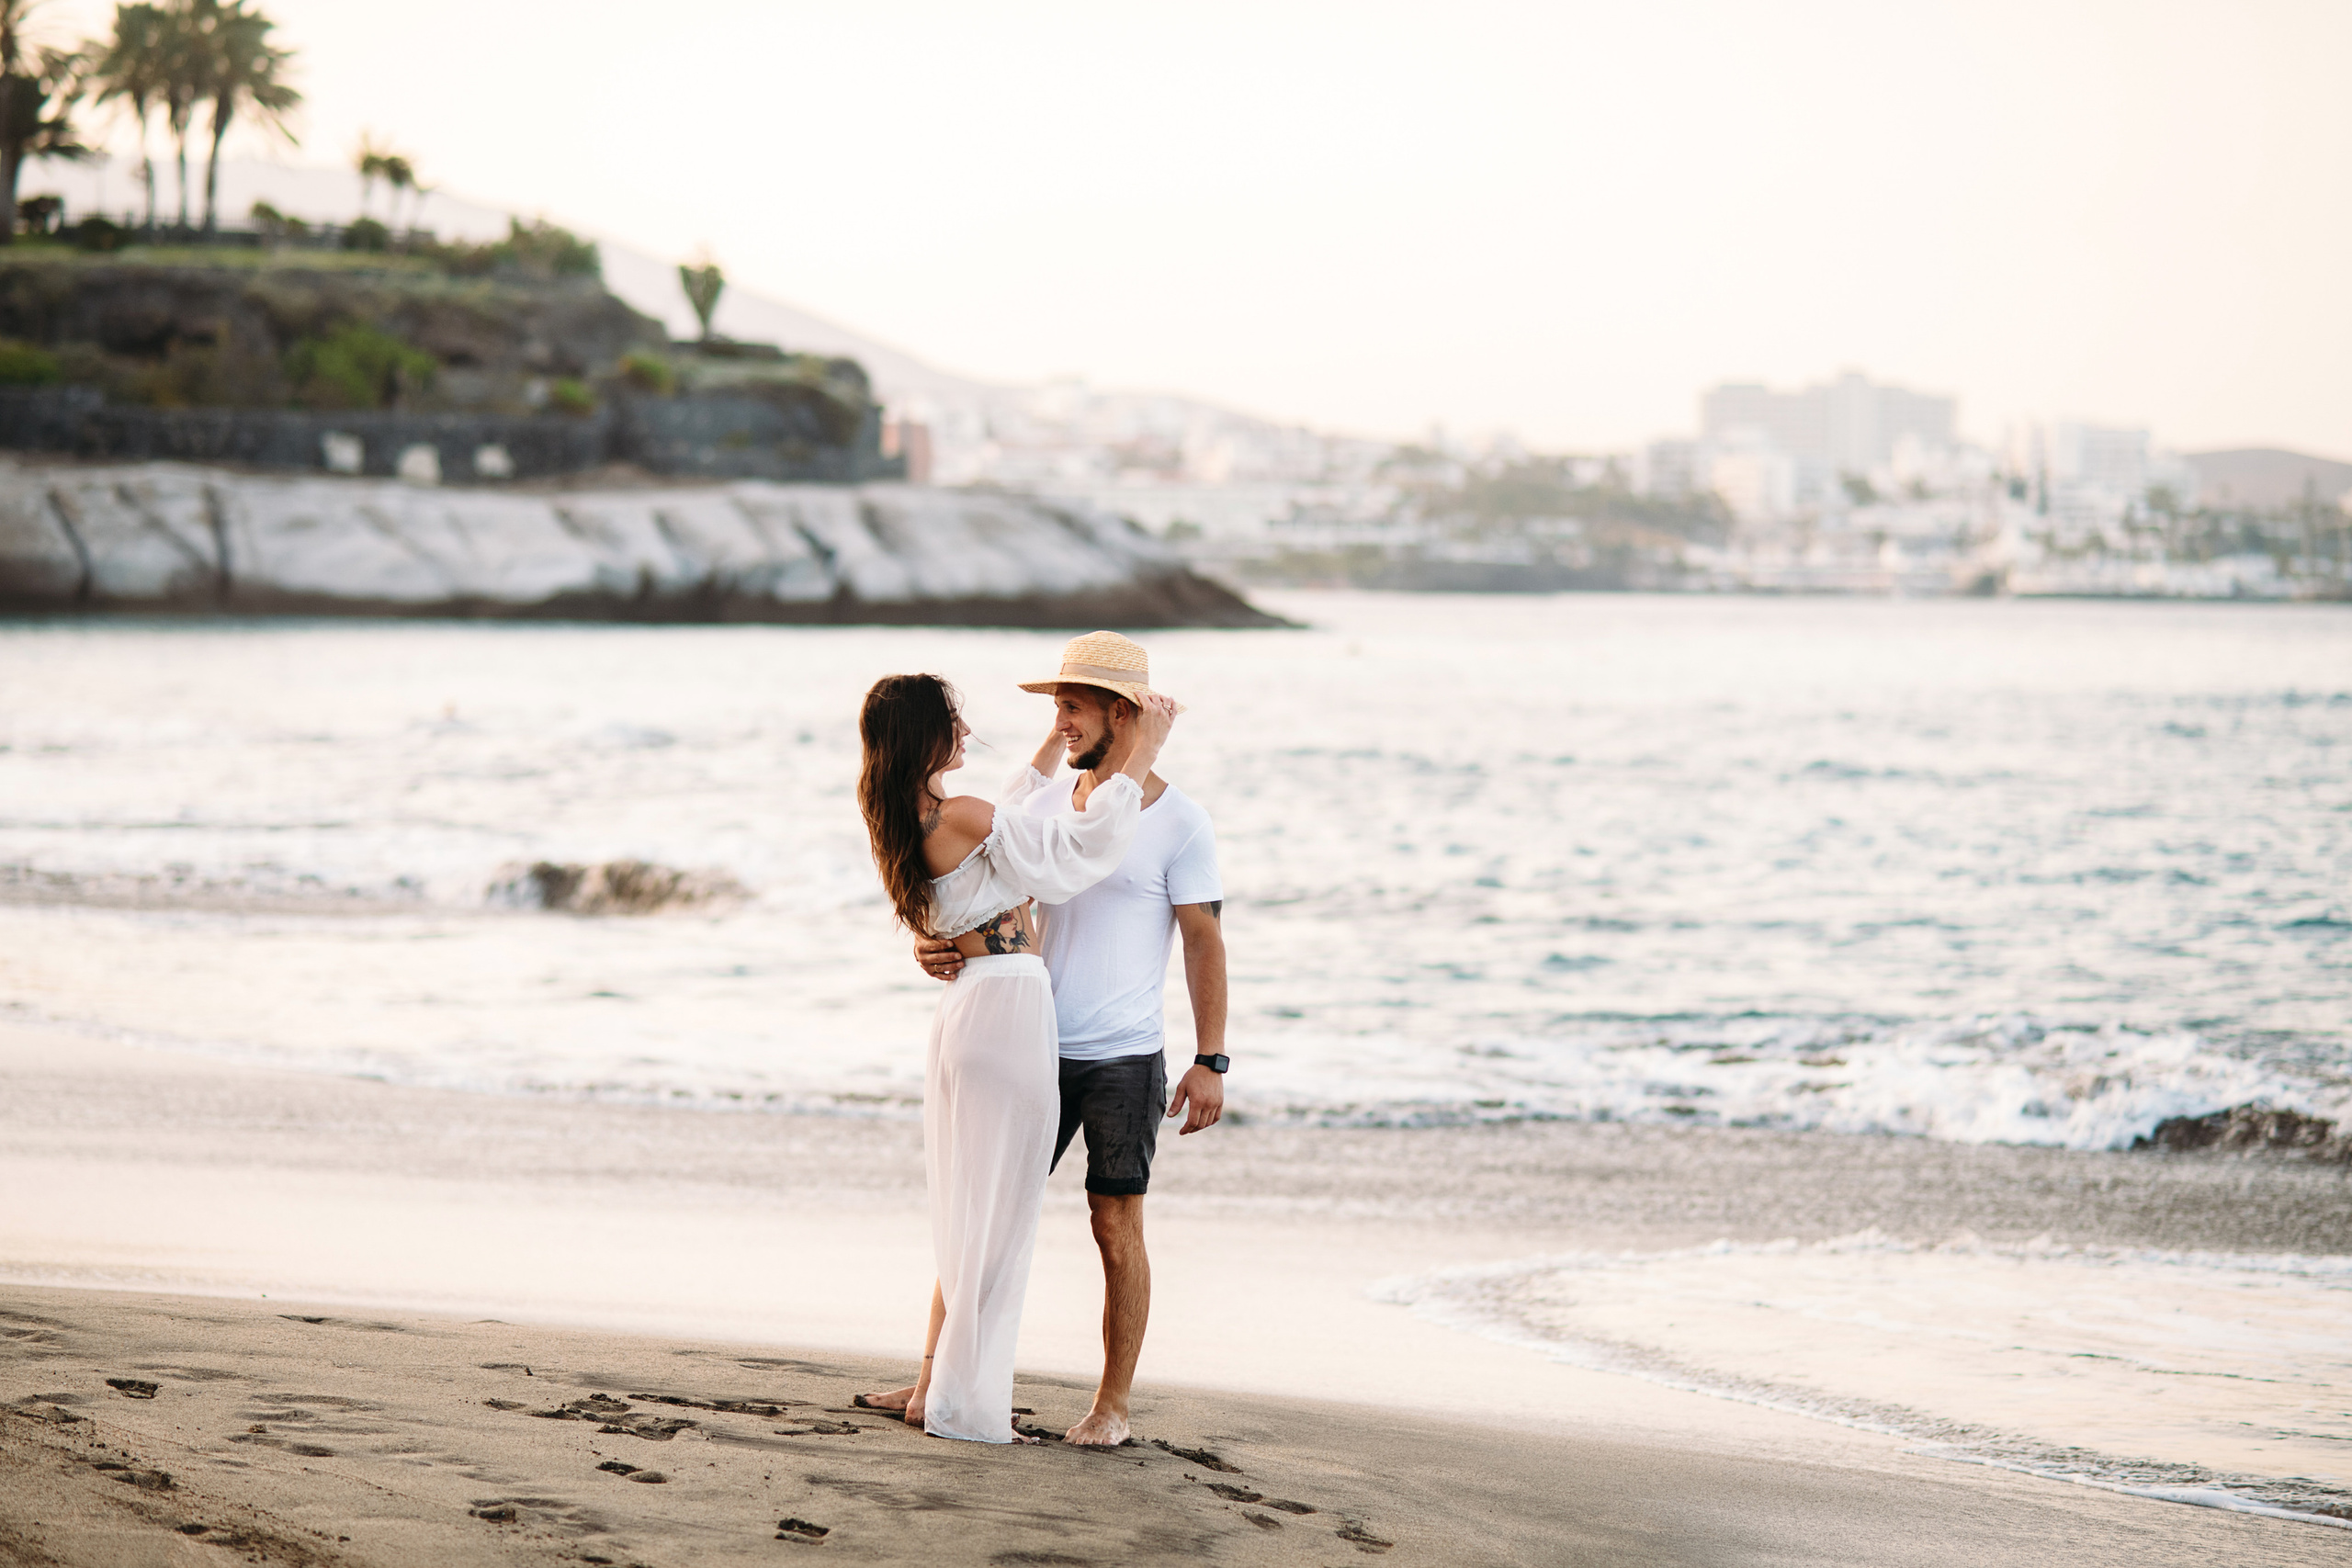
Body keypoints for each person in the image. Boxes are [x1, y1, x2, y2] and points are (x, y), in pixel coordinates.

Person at [884, 631, 1229, 1449]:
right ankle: (936, 1372)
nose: (1059, 722)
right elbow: (963, 886)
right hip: (1026, 1042)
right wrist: (934, 940)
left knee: (1116, 1223)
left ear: (1123, 712)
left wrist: (1210, 1057)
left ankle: (1111, 1404)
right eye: (1056, 707)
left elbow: (1205, 940)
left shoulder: (1180, 821)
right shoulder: (1035, 803)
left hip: (1121, 1052)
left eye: (1071, 707)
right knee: (982, 1212)